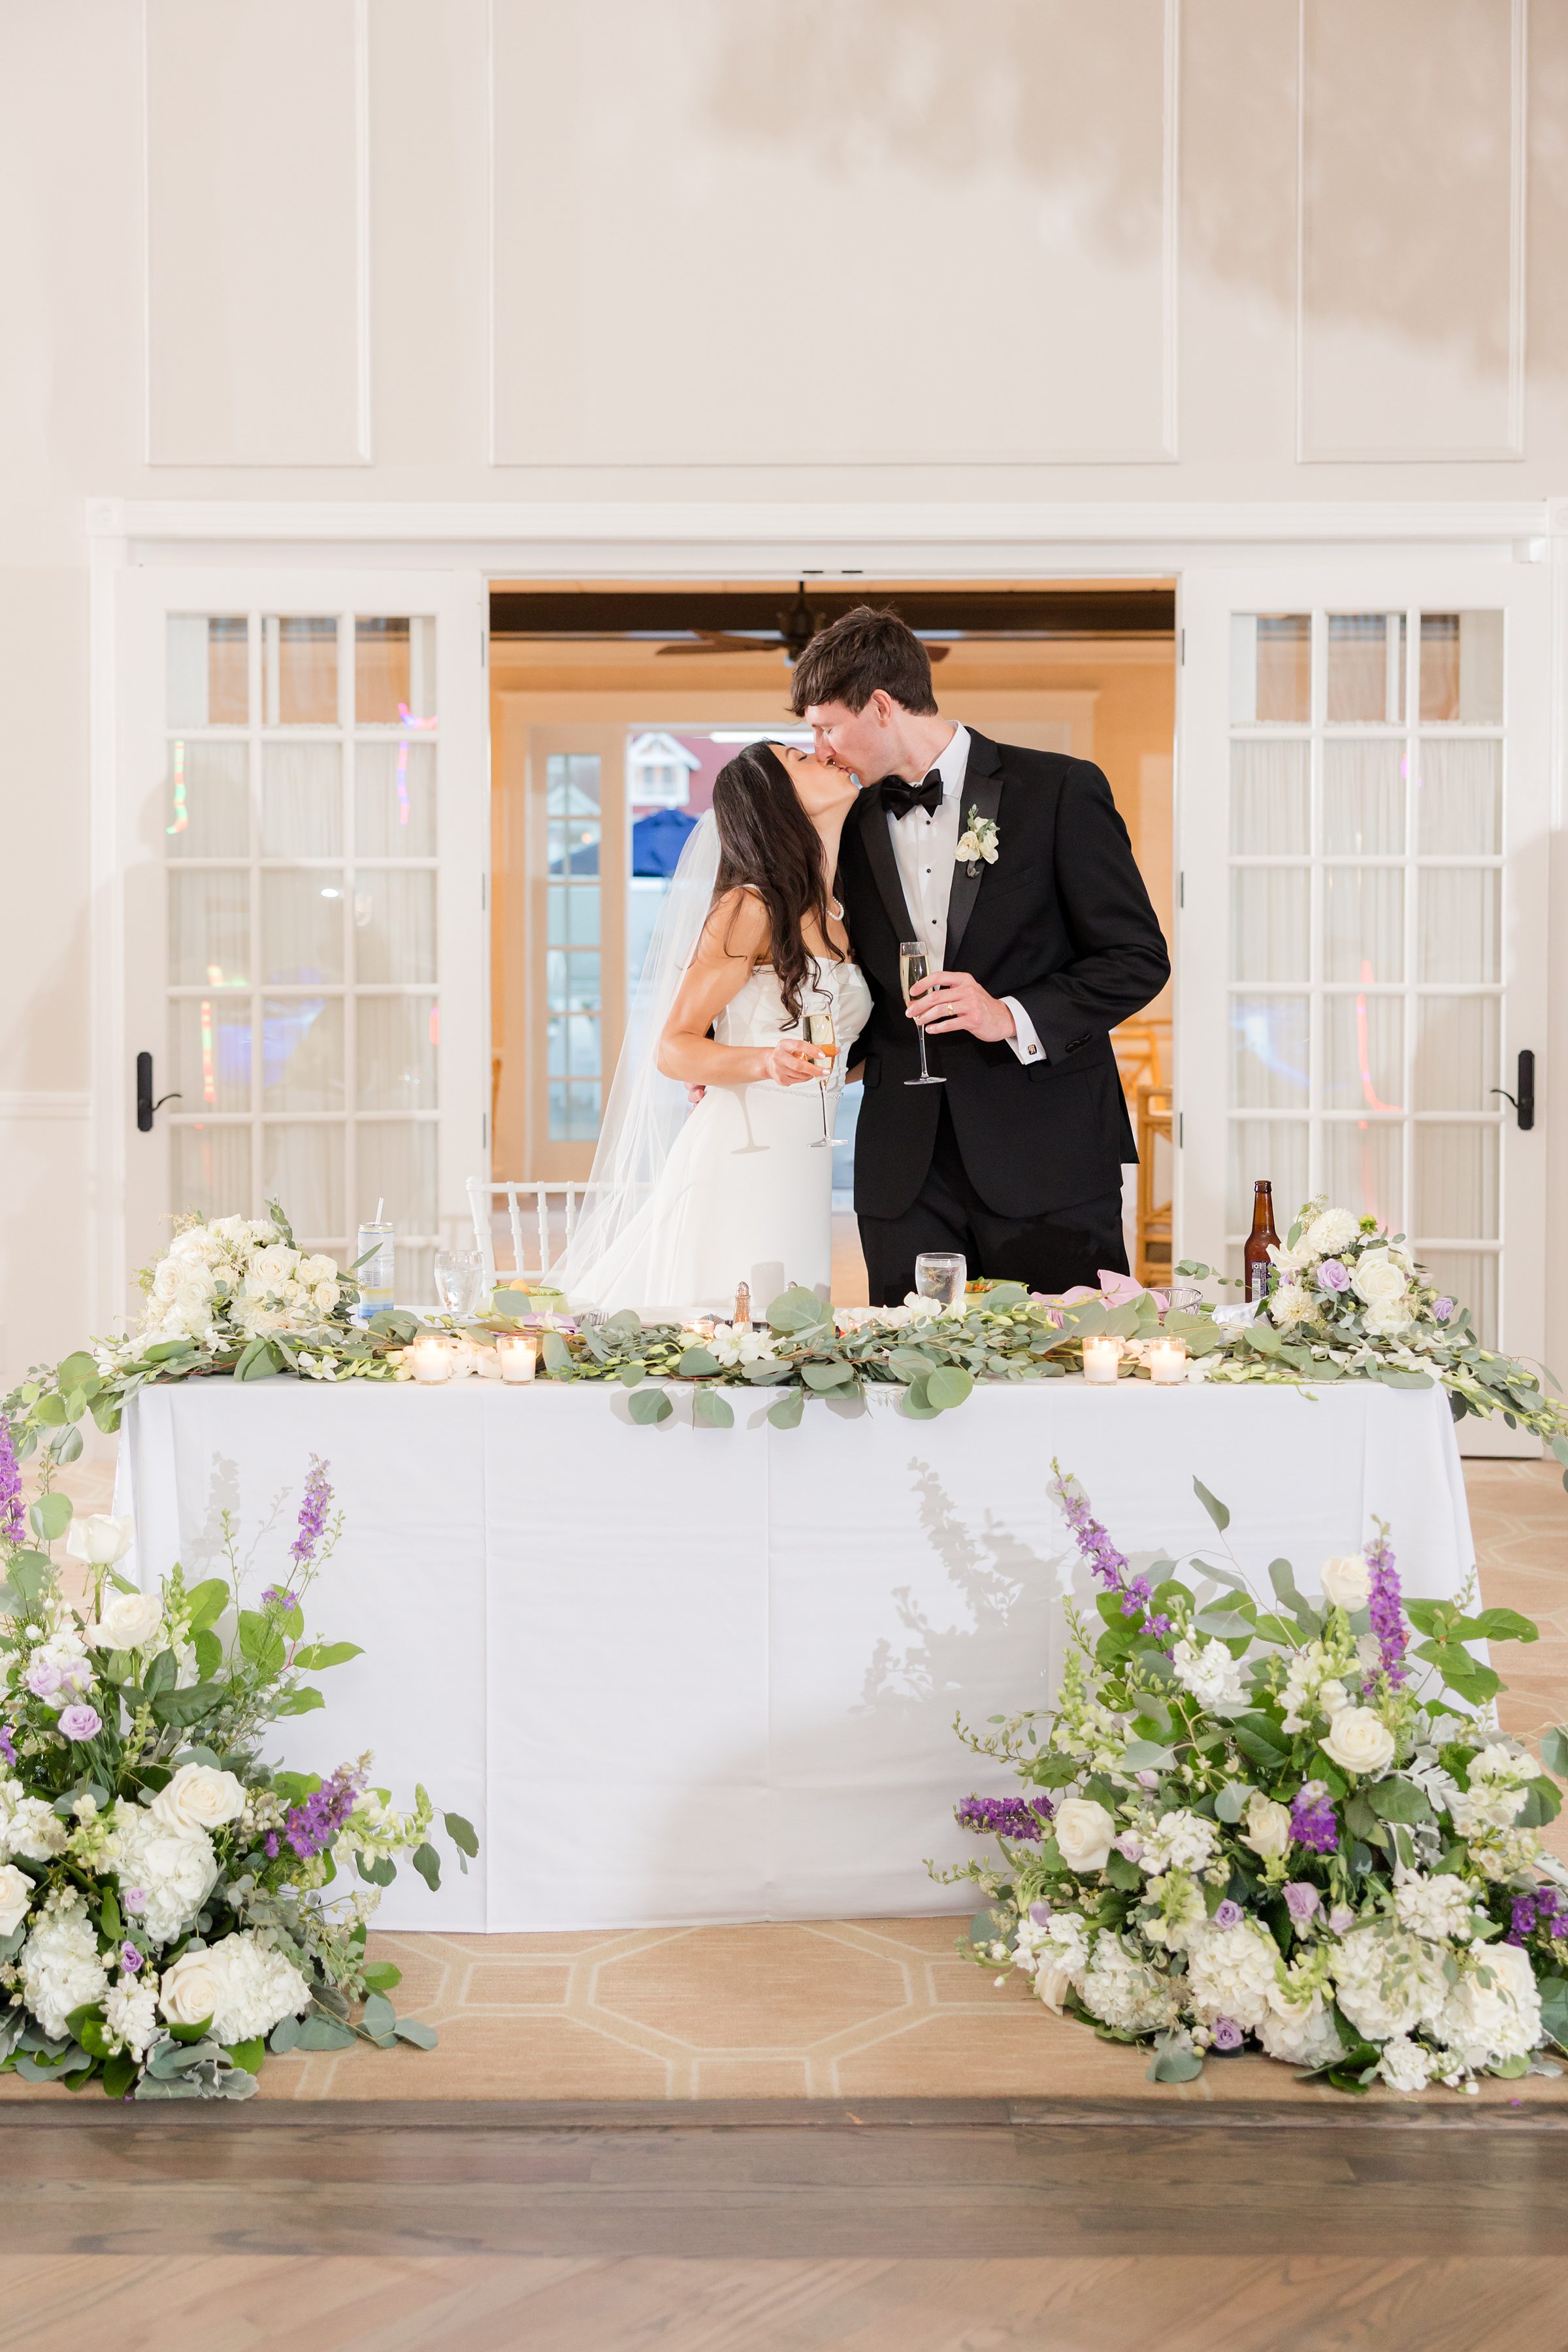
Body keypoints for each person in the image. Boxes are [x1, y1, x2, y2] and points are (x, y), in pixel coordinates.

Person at [791, 606, 1170, 1305]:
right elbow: (822, 965)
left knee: (1063, 1378)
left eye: (826, 726)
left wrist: (1010, 1015)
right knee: (910, 1392)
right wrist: (746, 1056)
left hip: (1049, 1161)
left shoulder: (1059, 790)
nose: (819, 748)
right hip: (903, 1172)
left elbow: (1137, 956)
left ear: (880, 707)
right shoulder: (845, 822)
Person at [553, 740, 870, 1321]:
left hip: (805, 1157)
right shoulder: (750, 907)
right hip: (741, 1152)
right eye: (802, 759)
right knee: (730, 1324)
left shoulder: (842, 910)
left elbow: (838, 1048)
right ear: (779, 803)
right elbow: (674, 1048)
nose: (825, 756)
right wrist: (764, 1062)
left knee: (792, 1328)